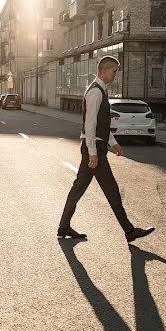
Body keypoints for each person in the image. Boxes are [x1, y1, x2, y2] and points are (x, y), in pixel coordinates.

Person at [57, 56, 155, 243]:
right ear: (104, 70)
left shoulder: (100, 90)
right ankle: (129, 231)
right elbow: (90, 123)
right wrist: (93, 152)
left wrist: (113, 142)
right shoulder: (95, 92)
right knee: (111, 190)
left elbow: (102, 123)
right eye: (114, 71)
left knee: (78, 188)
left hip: (96, 146)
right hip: (94, 148)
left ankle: (63, 226)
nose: (115, 75)